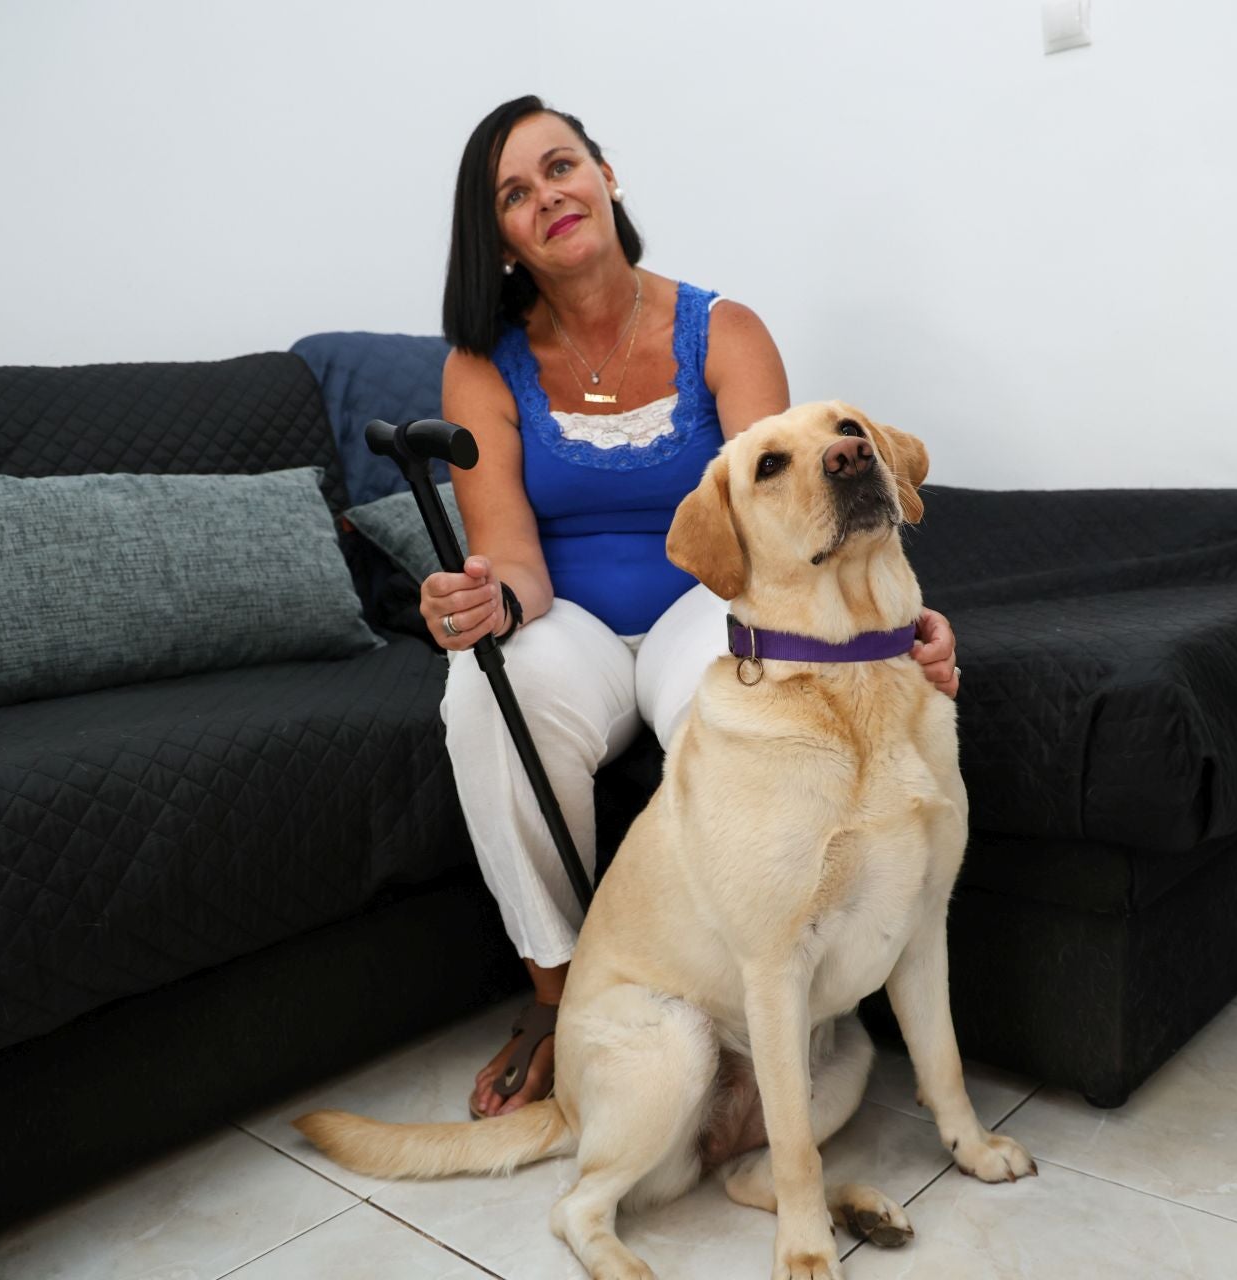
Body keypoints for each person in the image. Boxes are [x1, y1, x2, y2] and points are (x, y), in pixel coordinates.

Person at [421, 95, 961, 1119]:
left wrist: (898, 634)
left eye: (561, 166)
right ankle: (558, 996)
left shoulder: (723, 329)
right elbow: (516, 562)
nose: (549, 196)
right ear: (499, 239)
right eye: (515, 194)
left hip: (711, 599)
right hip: (567, 617)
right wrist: (483, 602)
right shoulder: (479, 367)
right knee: (482, 691)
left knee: (756, 699)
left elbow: (798, 525)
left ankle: (769, 985)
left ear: (606, 174)